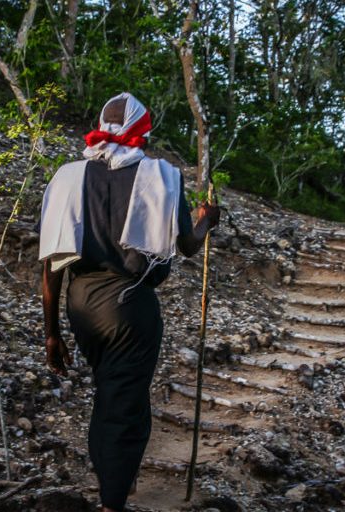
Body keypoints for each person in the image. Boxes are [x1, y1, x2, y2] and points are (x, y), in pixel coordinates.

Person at [39, 92, 220, 512]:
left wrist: (51, 334)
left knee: (109, 393)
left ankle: (113, 482)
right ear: (144, 130)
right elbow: (188, 247)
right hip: (129, 307)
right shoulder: (161, 177)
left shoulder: (67, 177)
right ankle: (112, 502)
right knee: (125, 407)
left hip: (80, 305)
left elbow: (50, 264)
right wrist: (207, 220)